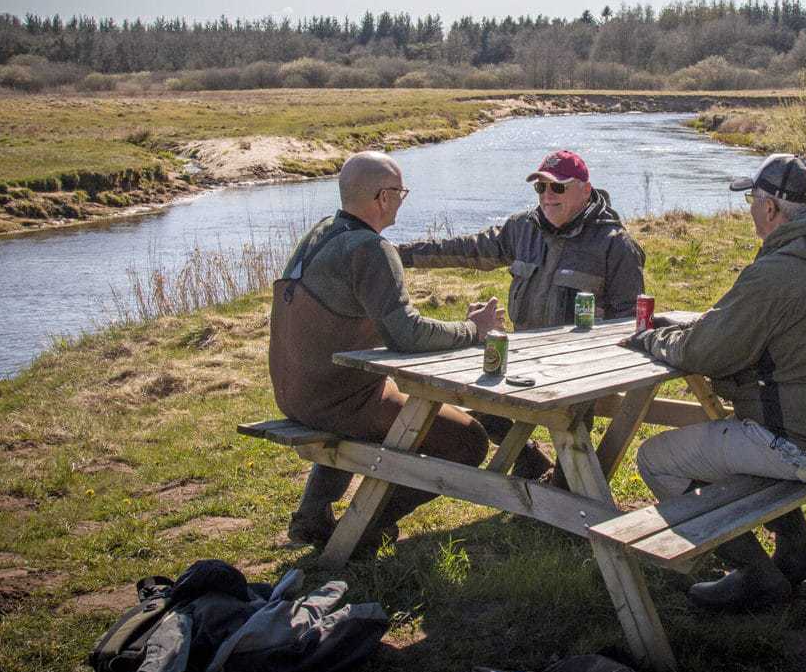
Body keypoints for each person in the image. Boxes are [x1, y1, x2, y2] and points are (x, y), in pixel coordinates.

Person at [623, 154, 806, 610]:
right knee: (736, 438)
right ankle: (797, 546)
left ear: (771, 209)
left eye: (751, 199)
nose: (748, 209)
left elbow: (705, 352)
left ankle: (754, 573)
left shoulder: (780, 270)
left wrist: (653, 339)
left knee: (656, 458)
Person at [268, 150, 499, 549]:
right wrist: (472, 329)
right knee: (469, 442)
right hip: (341, 399)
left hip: (296, 394)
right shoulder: (371, 249)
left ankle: (311, 517)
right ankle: (363, 525)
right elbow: (406, 334)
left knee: (390, 410)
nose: (402, 200)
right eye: (401, 192)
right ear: (383, 197)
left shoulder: (321, 234)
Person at [397, 149, 645, 478]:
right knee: (464, 388)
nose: (547, 196)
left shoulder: (614, 245)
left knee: (571, 421)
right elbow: (470, 249)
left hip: (581, 369)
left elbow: (632, 322)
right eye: (540, 188)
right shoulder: (522, 228)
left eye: (558, 188)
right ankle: (526, 455)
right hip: (524, 356)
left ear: (585, 191)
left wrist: (597, 358)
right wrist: (399, 255)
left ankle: (570, 483)